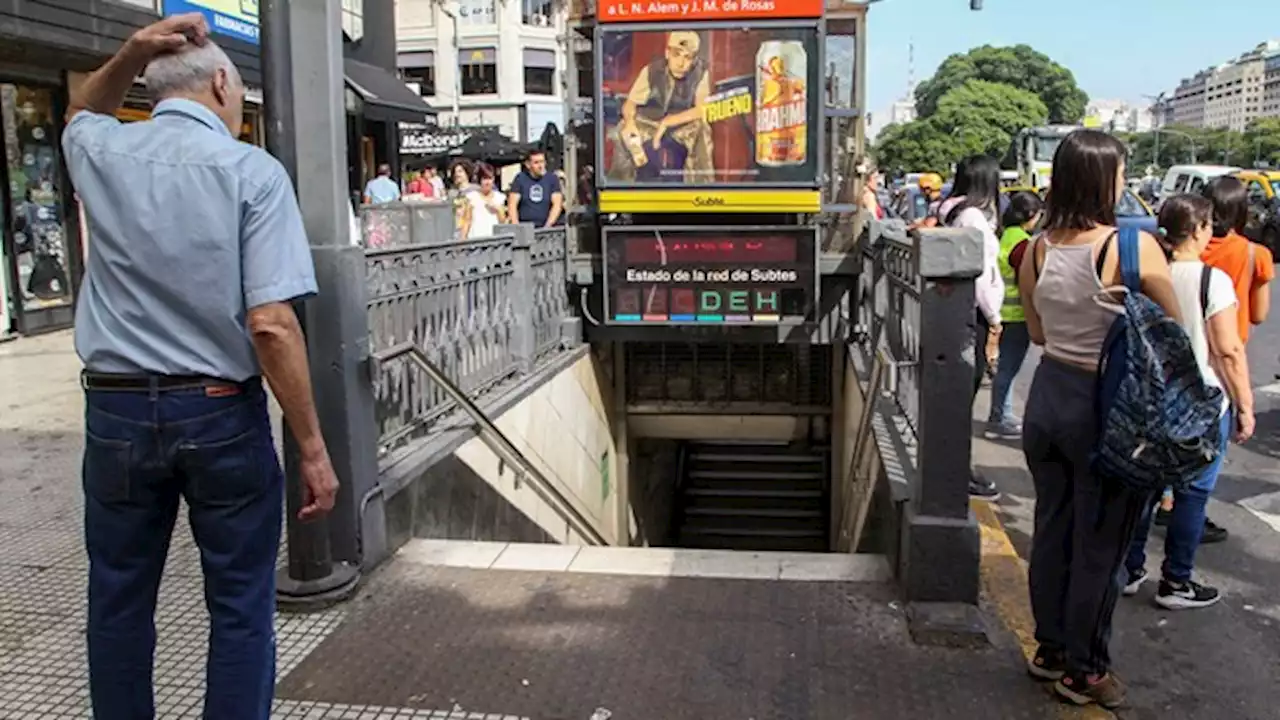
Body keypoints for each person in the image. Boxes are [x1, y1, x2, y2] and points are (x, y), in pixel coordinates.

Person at [61, 15, 338, 720]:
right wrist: (311, 447)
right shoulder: (252, 172)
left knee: (118, 601)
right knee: (240, 606)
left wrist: (131, 49)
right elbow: (271, 325)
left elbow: (79, 109)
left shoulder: (103, 150)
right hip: (219, 408)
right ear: (221, 82)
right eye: (239, 90)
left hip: (116, 412)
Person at [1017, 130, 1180, 709]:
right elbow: (1171, 335)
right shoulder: (1132, 250)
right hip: (1106, 408)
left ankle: (1051, 650)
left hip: (1047, 399)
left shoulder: (1037, 248)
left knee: (1053, 529)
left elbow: (1036, 332)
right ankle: (1087, 672)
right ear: (1106, 180)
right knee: (1101, 547)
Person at [1121, 194, 1254, 610]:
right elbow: (1228, 350)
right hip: (1199, 405)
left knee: (1144, 488)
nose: (1211, 231)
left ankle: (1129, 568)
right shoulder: (1211, 281)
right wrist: (1245, 406)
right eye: (1209, 224)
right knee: (1193, 494)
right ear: (1197, 230)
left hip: (1149, 400)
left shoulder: (1145, 273)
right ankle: (1176, 581)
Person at [938, 155, 1004, 500]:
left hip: (953, 311)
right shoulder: (974, 217)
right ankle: (958, 472)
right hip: (973, 315)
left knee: (956, 397)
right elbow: (981, 274)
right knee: (963, 397)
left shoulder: (950, 210)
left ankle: (957, 469)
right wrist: (994, 318)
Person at [612, 31, 713, 184]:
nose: (681, 62)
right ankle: (621, 187)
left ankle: (701, 187)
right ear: (667, 53)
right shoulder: (651, 71)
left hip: (681, 126)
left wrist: (669, 121)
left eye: (688, 57)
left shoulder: (701, 73)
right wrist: (630, 123)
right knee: (622, 130)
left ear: (694, 59)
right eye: (676, 55)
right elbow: (630, 104)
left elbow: (702, 109)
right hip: (650, 123)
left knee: (703, 128)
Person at [985, 191, 1043, 440]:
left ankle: (1000, 414)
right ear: (1030, 215)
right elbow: (1028, 281)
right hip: (1017, 314)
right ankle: (1000, 416)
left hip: (1000, 311)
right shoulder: (1023, 244)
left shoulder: (1003, 236)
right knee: (1008, 368)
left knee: (1004, 367)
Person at [507, 149, 564, 228]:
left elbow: (557, 205)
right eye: (536, 162)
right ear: (528, 164)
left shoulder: (552, 179)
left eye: (542, 162)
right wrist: (517, 227)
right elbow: (512, 205)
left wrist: (547, 226)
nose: (540, 166)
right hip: (525, 227)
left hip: (546, 227)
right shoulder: (520, 178)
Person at [466, 162, 507, 239]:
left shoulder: (499, 197)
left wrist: (498, 209)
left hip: (494, 239)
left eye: (490, 178)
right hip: (475, 239)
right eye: (484, 179)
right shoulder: (472, 197)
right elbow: (467, 221)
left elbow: (503, 222)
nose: (487, 182)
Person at [449, 159, 476, 239]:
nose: (457, 174)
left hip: (471, 231)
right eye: (455, 172)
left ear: (467, 173)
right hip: (456, 230)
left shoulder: (475, 190)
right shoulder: (452, 193)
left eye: (460, 171)